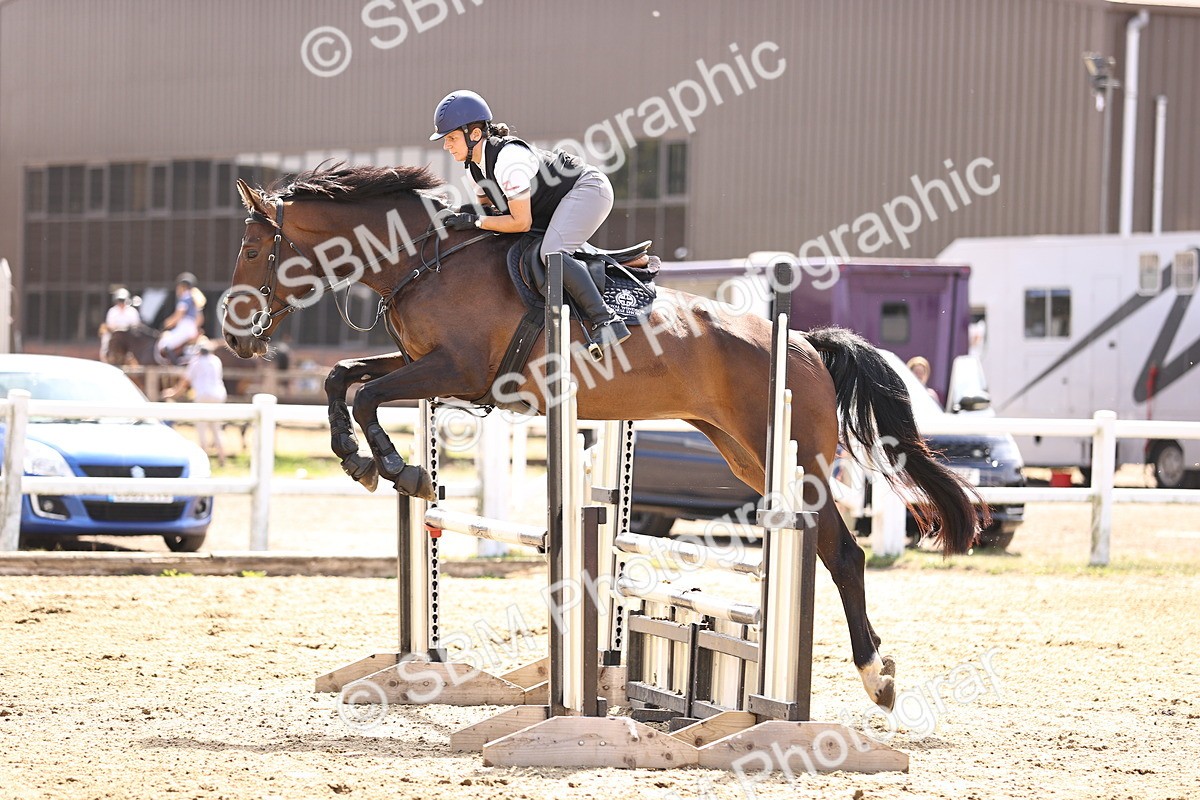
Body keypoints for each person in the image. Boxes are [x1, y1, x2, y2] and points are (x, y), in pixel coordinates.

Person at [429, 89, 630, 355]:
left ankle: (607, 320)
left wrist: (475, 222)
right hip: (553, 205)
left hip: (588, 189)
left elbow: (519, 223)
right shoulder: (473, 170)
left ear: (474, 134)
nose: (446, 146)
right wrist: (457, 216)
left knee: (552, 253)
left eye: (451, 138)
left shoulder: (508, 160)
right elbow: (488, 213)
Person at [162, 337, 227, 466]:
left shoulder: (196, 362)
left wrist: (173, 393)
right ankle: (222, 458)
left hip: (203, 395)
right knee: (216, 428)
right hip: (219, 395)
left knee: (201, 427)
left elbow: (185, 381)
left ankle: (204, 460)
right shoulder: (216, 360)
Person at [157, 272, 203, 362]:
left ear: (183, 287)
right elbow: (200, 319)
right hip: (191, 328)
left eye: (178, 287)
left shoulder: (185, 298)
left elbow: (178, 316)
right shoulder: (195, 299)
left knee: (164, 343)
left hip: (185, 328)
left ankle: (175, 366)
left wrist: (165, 324)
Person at [99, 287, 142, 362]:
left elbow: (136, 325)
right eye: (120, 300)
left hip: (129, 335)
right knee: (106, 336)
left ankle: (136, 357)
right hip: (115, 334)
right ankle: (105, 356)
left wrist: (127, 329)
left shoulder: (132, 311)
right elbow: (110, 325)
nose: (121, 303)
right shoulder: (112, 311)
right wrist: (117, 329)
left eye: (123, 300)